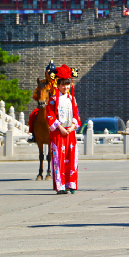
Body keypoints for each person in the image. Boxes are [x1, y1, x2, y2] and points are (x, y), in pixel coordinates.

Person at [45, 65, 80, 194]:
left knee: (71, 158)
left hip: (70, 132)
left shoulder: (72, 99)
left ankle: (71, 184)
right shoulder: (53, 100)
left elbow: (76, 115)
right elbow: (50, 115)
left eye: (67, 85)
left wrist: (71, 127)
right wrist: (60, 128)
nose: (65, 87)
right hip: (58, 133)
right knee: (59, 158)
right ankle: (60, 186)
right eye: (63, 85)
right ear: (58, 85)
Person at [28, 60, 58, 140]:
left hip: (56, 106)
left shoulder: (59, 82)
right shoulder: (42, 82)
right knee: (33, 115)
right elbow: (35, 95)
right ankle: (33, 135)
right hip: (43, 105)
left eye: (52, 72)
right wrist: (39, 97)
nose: (50, 74)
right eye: (48, 72)